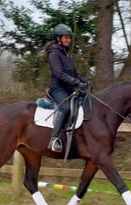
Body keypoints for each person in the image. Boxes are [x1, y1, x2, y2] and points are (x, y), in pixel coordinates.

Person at [45, 24, 91, 153]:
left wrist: (85, 81)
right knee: (65, 107)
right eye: (66, 38)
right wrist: (77, 83)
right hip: (57, 89)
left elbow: (75, 74)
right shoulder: (53, 53)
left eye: (69, 38)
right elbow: (59, 73)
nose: (68, 40)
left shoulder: (67, 54)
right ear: (59, 38)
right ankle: (54, 139)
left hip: (69, 89)